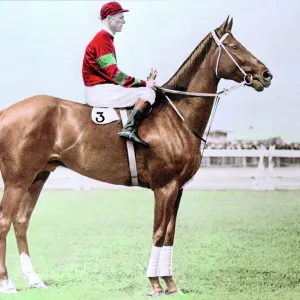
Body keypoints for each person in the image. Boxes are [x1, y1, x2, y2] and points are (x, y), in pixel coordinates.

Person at [82, 1, 157, 146]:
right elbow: (116, 75)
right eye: (121, 17)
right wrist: (145, 83)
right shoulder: (102, 40)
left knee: (144, 89)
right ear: (109, 18)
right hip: (99, 91)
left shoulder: (104, 39)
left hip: (99, 88)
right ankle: (129, 129)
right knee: (148, 93)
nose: (124, 21)